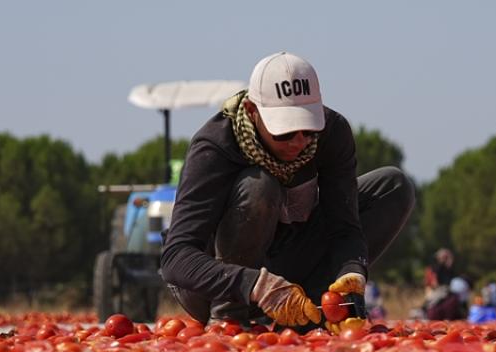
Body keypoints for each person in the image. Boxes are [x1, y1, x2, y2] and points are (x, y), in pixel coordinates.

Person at [159, 51, 415, 332]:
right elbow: (176, 258)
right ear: (252, 112)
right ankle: (231, 318)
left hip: (289, 272)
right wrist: (253, 283)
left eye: (308, 129)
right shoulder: (215, 146)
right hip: (216, 283)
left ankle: (312, 314)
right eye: (285, 132)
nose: (298, 142)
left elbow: (345, 227)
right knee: (260, 185)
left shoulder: (333, 134)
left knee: (393, 186)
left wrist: (351, 273)